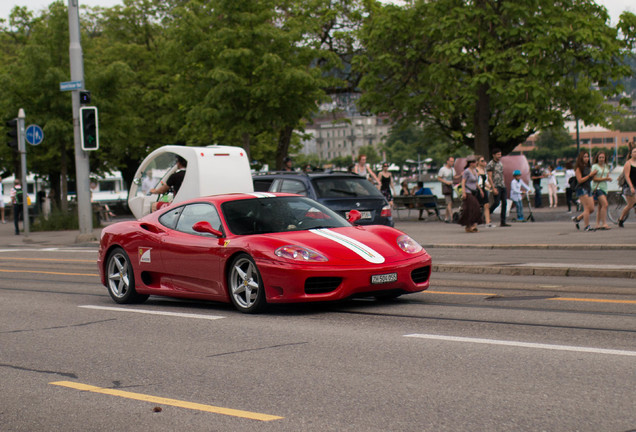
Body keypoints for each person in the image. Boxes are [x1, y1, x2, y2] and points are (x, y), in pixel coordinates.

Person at [571, 151, 597, 231]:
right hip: (581, 189)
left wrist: (593, 175)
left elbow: (590, 179)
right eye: (584, 157)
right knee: (587, 208)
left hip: (588, 188)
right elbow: (580, 180)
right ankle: (587, 226)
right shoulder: (579, 168)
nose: (586, 158)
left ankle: (578, 218)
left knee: (592, 209)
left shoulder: (588, 167)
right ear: (581, 158)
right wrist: (589, 175)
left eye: (587, 157)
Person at [459, 156, 483, 232]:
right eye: (475, 162)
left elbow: (476, 182)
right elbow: (463, 182)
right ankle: (471, 225)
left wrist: (480, 190)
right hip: (468, 192)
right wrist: (463, 192)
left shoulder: (475, 171)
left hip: (473, 192)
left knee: (472, 209)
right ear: (471, 163)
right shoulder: (467, 171)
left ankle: (470, 225)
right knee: (473, 208)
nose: (476, 163)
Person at [486, 148, 510, 227]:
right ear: (493, 155)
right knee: (496, 203)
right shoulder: (491, 164)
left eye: (500, 154)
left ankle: (503, 221)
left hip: (502, 185)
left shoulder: (500, 163)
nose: (500, 156)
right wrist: (493, 188)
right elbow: (489, 177)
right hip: (496, 185)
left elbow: (502, 174)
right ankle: (487, 214)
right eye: (498, 154)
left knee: (504, 203)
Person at [591, 151, 611, 230]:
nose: (601, 159)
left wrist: (607, 178)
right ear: (597, 158)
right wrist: (605, 178)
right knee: (605, 204)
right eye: (600, 157)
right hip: (597, 187)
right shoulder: (594, 166)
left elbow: (607, 176)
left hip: (604, 187)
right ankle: (604, 223)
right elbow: (594, 178)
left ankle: (597, 224)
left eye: (603, 157)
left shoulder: (606, 166)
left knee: (600, 206)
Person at [617, 146, 636, 228]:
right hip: (629, 186)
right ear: (631, 154)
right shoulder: (628, 163)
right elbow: (627, 176)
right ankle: (621, 219)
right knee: (630, 204)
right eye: (634, 152)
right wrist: (631, 186)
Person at [437, 156, 457, 223]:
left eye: (453, 161)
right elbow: (439, 178)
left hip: (451, 186)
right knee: (449, 202)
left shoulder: (452, 169)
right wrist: (446, 182)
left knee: (449, 203)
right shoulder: (443, 169)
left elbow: (454, 177)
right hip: (446, 186)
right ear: (447, 161)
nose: (452, 163)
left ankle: (446, 217)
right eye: (451, 161)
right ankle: (451, 217)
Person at [476, 155, 492, 227]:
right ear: (478, 162)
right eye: (481, 161)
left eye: (484, 160)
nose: (483, 162)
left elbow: (482, 180)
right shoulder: (476, 170)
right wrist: (479, 189)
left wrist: (487, 185)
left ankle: (488, 222)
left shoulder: (483, 170)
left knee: (486, 205)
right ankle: (477, 220)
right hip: (478, 189)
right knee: (478, 206)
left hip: (483, 188)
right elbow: (476, 181)